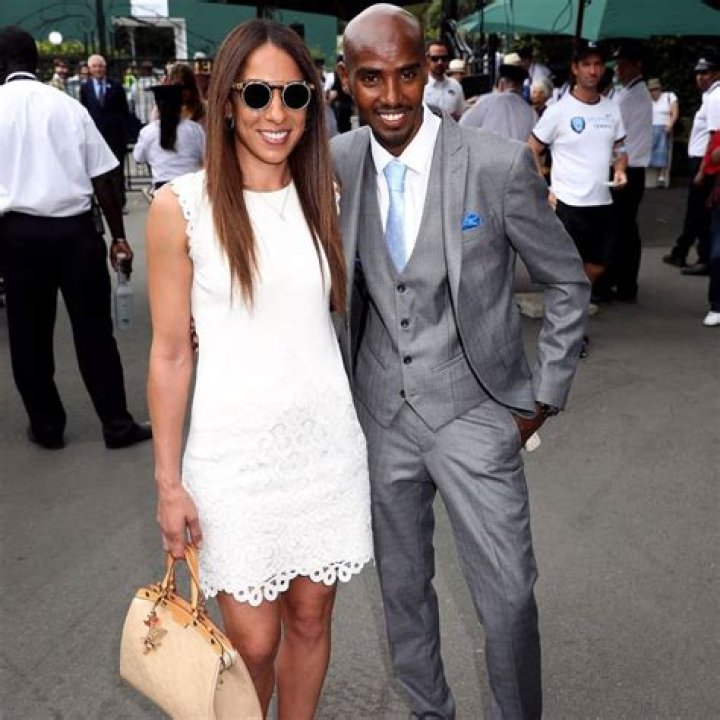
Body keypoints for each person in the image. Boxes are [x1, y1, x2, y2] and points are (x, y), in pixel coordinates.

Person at [333, 5, 589, 718]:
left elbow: (566, 281)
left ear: (429, 71)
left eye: (407, 74)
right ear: (347, 79)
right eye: (372, 78)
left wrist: (542, 397)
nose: (391, 96)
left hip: (478, 410)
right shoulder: (335, 161)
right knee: (403, 592)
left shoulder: (495, 163)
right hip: (381, 412)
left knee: (508, 598)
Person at [145, 19, 372, 718]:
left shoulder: (326, 197)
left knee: (310, 620)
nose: (277, 113)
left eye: (294, 95)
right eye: (258, 94)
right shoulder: (180, 207)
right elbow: (170, 352)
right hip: (234, 459)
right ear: (226, 101)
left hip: (324, 448)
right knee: (252, 642)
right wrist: (168, 483)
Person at [0, 26, 151, 450]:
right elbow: (103, 177)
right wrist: (118, 237)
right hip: (75, 233)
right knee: (94, 332)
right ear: (37, 63)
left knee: (29, 335)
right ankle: (116, 424)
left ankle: (47, 428)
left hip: (17, 236)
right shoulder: (68, 107)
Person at [529, 42, 627, 359]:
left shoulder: (612, 109)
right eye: (586, 64)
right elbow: (531, 148)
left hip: (602, 202)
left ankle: (565, 319)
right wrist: (543, 187)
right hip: (568, 204)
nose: (593, 70)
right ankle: (572, 333)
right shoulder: (558, 111)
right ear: (575, 68)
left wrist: (621, 169)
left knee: (595, 267)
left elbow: (621, 150)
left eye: (598, 64)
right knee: (569, 273)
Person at [593, 41, 652, 303]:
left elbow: (612, 131)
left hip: (627, 168)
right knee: (623, 228)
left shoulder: (632, 96)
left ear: (637, 65)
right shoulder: (629, 92)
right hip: (629, 166)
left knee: (618, 229)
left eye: (623, 63)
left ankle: (616, 283)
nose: (618, 68)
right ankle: (623, 282)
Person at [663, 54, 720, 272]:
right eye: (698, 73)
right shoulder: (709, 96)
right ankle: (684, 251)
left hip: (704, 162)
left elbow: (715, 138)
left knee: (700, 212)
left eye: (705, 72)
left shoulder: (715, 97)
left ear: (716, 73)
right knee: (697, 211)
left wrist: (703, 170)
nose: (700, 77)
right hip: (699, 160)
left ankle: (702, 257)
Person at [81, 54, 132, 211]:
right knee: (98, 171)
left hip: (115, 135)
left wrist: (125, 133)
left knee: (117, 171)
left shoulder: (116, 86)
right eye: (95, 66)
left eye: (100, 66)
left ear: (105, 68)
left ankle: (120, 203)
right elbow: (85, 111)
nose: (98, 69)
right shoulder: (85, 88)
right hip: (95, 135)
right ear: (90, 69)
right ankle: (100, 203)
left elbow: (124, 111)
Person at [132, 84, 205, 190]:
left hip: (162, 187)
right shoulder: (195, 129)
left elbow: (138, 157)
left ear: (157, 106)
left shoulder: (148, 131)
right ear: (181, 105)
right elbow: (205, 156)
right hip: (191, 186)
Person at [459, 62, 536, 141]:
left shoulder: (488, 100)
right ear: (521, 88)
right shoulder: (531, 112)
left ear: (501, 84)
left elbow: (463, 126)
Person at [647, 77, 679, 187]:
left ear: (660, 88)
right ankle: (649, 178)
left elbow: (675, 113)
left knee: (662, 150)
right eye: (651, 90)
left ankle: (661, 175)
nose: (653, 92)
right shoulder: (647, 100)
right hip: (650, 127)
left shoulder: (669, 96)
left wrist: (670, 124)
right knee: (649, 151)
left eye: (655, 89)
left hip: (664, 127)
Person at [423, 39, 465, 120]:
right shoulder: (420, 87)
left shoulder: (456, 86)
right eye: (435, 58)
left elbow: (461, 115)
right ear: (427, 60)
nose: (440, 62)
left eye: (444, 58)